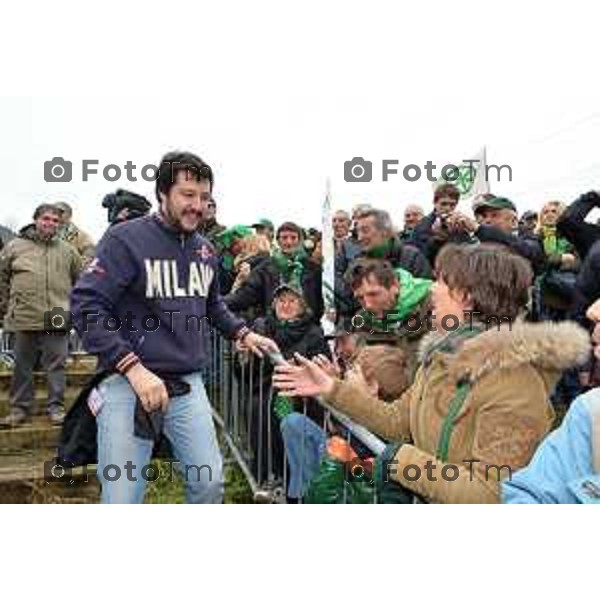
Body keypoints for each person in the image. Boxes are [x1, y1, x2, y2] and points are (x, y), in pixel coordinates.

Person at [274, 244, 591, 503]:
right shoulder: (440, 359)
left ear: (468, 296)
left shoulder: (516, 384)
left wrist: (404, 463)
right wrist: (331, 388)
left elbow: (491, 494)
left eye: (441, 281)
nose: (432, 290)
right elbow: (398, 421)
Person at [70, 151, 277, 504]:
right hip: (126, 382)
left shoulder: (205, 250)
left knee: (210, 483)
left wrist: (242, 332)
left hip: (186, 385)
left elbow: (211, 305)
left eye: (204, 197)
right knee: (122, 496)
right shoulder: (124, 239)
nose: (197, 205)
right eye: (187, 195)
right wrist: (132, 367)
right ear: (162, 194)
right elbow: (86, 305)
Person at [502, 298, 600, 503]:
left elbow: (483, 486)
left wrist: (416, 466)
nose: (593, 311)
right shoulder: (590, 414)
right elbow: (530, 494)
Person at [0, 203, 82, 427]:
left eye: (55, 220)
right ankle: (19, 409)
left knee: (56, 364)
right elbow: (2, 279)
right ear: (36, 220)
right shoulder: (14, 247)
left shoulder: (68, 251)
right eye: (46, 219)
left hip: (57, 312)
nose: (50, 224)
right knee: (22, 365)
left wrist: (72, 307)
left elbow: (81, 281)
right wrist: (7, 306)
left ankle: (56, 408)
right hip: (23, 313)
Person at [344, 258, 433, 377]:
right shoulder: (362, 322)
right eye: (360, 298)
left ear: (395, 286)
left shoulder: (433, 305)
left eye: (373, 294)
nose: (368, 304)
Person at [226, 221, 324, 321]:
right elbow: (245, 296)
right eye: (284, 238)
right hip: (274, 328)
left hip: (307, 328)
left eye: (293, 238)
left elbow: (322, 300)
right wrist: (215, 302)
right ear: (278, 241)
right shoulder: (265, 267)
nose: (289, 242)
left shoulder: (313, 268)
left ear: (299, 241)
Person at [412, 183, 471, 264]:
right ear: (435, 202)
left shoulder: (460, 225)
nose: (448, 208)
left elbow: (468, 253)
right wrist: (437, 239)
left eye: (452, 205)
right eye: (444, 204)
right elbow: (420, 257)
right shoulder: (423, 225)